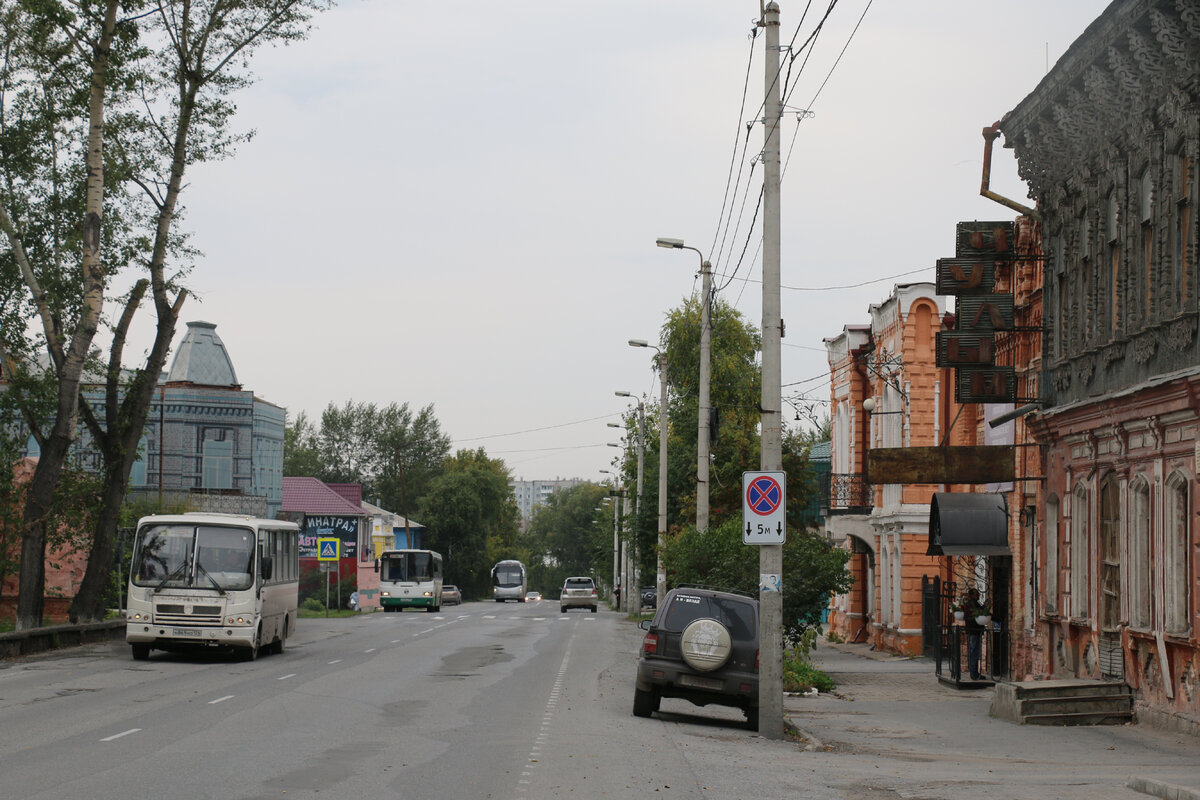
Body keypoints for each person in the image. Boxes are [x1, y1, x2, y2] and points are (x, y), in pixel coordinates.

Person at [963, 588, 984, 680]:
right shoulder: (972, 604)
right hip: (974, 631)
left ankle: (975, 673)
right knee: (974, 652)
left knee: (974, 652)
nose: (978, 595)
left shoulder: (972, 604)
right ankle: (974, 674)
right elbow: (978, 614)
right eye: (976, 594)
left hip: (973, 630)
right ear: (972, 595)